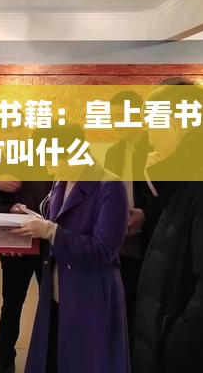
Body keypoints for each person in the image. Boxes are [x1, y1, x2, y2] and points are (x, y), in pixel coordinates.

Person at [134, 83, 203, 373]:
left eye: (152, 125)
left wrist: (172, 349)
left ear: (176, 124)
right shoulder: (201, 169)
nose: (149, 137)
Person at [20, 123, 130, 373]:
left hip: (89, 295)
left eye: (50, 159)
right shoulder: (61, 181)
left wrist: (51, 231)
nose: (47, 167)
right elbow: (54, 226)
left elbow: (104, 250)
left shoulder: (110, 186)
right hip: (57, 291)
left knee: (86, 361)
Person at [0, 120, 52, 373]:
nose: (12, 134)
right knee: (11, 302)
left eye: (16, 128)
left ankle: (50, 356)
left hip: (48, 243)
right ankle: (4, 358)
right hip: (16, 245)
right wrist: (9, 209)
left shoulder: (47, 155)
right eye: (6, 131)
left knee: (50, 301)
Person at [104, 90, 161, 361]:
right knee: (121, 304)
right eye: (113, 117)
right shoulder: (114, 151)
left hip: (150, 240)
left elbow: (169, 200)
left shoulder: (154, 148)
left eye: (121, 116)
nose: (116, 123)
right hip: (119, 238)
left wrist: (145, 215)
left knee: (144, 310)